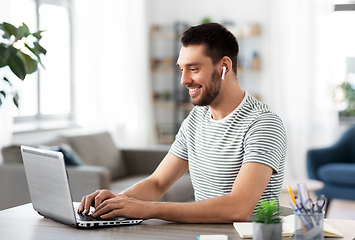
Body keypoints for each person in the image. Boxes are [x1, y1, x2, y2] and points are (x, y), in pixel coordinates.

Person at [78, 22, 287, 223]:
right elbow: (157, 183)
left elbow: (238, 208)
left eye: (193, 69)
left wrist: (149, 210)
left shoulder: (263, 124)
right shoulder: (195, 120)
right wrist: (116, 201)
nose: (184, 80)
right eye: (181, 69)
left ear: (224, 66)